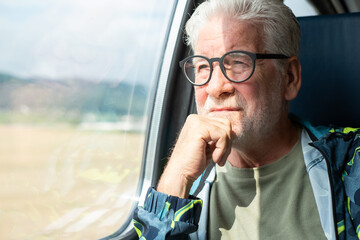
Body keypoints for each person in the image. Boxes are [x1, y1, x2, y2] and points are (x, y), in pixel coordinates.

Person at [132, 0, 360, 239]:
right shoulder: (188, 180)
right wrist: (176, 178)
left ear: (289, 78)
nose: (216, 87)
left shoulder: (349, 161)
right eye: (202, 67)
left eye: (238, 62)